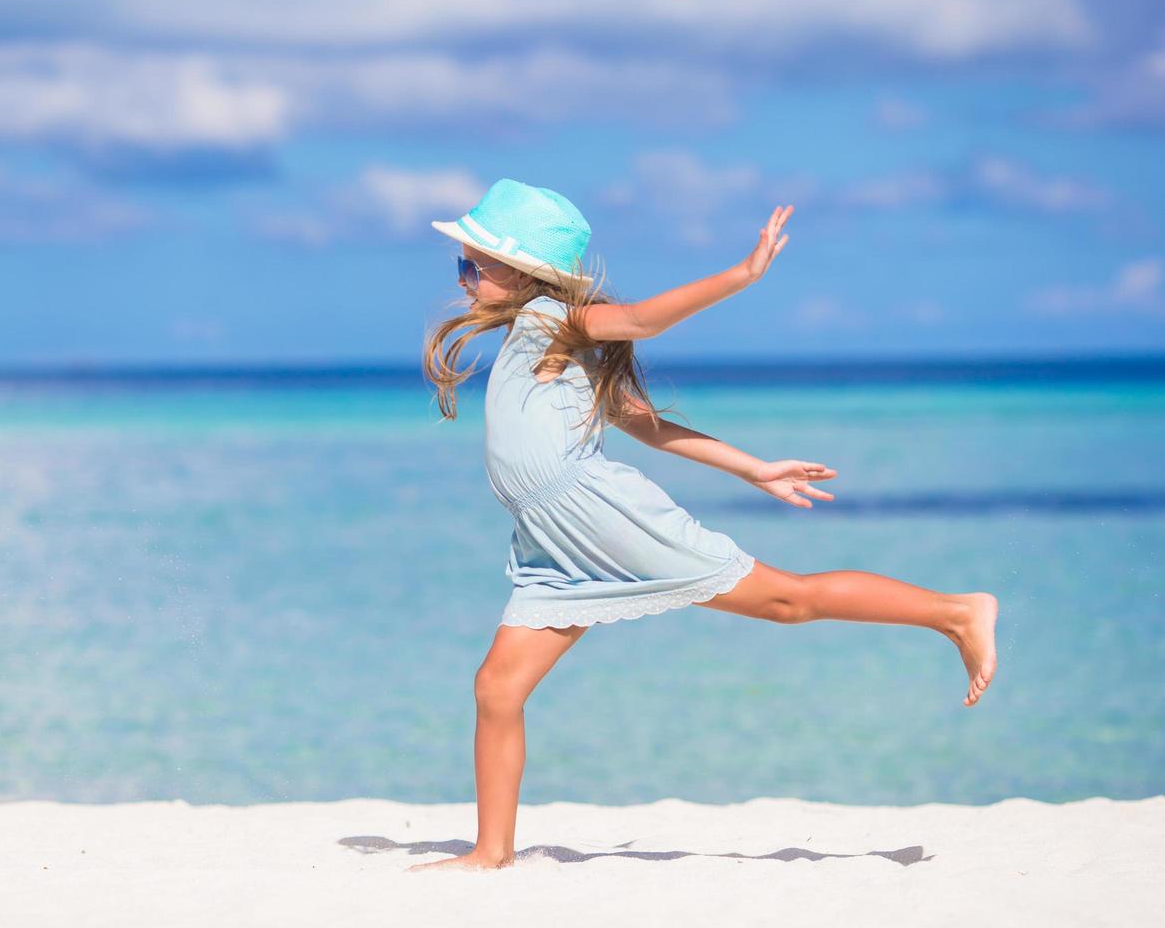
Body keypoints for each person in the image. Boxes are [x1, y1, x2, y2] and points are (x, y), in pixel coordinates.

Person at [409, 177, 999, 873]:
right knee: (497, 689)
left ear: (527, 274)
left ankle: (958, 612)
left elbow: (643, 319)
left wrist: (741, 276)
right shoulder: (534, 340)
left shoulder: (556, 320)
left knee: (788, 600)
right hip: (551, 544)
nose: (464, 276)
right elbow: (648, 426)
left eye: (475, 263)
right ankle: (492, 851)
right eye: (463, 264)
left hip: (601, 517)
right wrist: (753, 469)